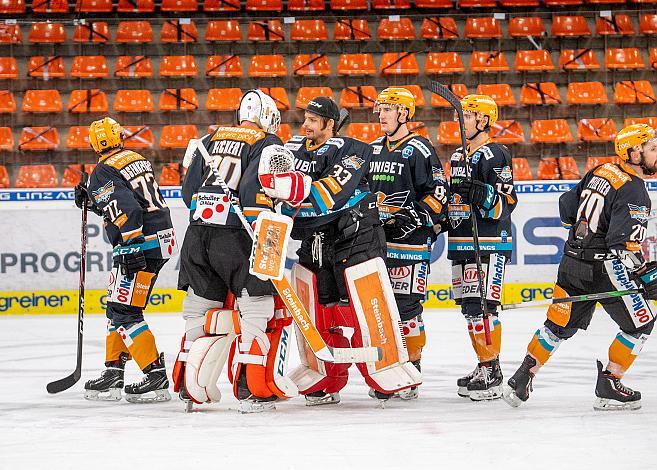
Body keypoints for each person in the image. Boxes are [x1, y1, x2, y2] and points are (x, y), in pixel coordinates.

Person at [504, 124, 657, 411]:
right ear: (633, 153)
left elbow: (566, 207)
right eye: (652, 149)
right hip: (604, 270)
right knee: (641, 322)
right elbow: (622, 246)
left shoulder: (600, 171)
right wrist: (645, 273)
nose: (656, 154)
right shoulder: (635, 191)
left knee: (556, 326)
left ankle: (523, 376)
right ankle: (610, 382)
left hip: (571, 263)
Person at [173, 89, 304, 413]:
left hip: (198, 233)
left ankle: (188, 387)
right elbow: (251, 191)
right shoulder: (265, 142)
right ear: (267, 117)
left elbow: (188, 191)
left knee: (198, 311)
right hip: (236, 236)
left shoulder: (208, 138)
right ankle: (253, 388)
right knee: (257, 311)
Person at [284, 97, 420, 406]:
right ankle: (326, 376)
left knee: (365, 310)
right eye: (304, 118)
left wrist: (289, 193)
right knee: (321, 311)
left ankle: (385, 372)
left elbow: (327, 195)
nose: (305, 125)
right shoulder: (293, 151)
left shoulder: (355, 151)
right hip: (316, 243)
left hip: (357, 238)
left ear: (330, 125)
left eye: (313, 121)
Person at [75, 117, 176, 403]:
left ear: (94, 144)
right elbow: (130, 200)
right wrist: (94, 202)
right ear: (120, 136)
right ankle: (113, 372)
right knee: (117, 307)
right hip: (160, 240)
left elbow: (127, 209)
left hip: (140, 244)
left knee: (125, 311)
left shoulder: (102, 170)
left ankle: (155, 375)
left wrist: (131, 245)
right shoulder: (135, 158)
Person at [368, 87, 449, 399]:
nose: (382, 116)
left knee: (407, 309)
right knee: (381, 310)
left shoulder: (419, 149)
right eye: (381, 110)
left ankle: (412, 367)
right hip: (378, 244)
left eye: (388, 109)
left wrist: (414, 217)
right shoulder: (374, 149)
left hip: (411, 244)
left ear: (404, 113)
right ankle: (389, 366)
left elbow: (438, 192)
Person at [447, 95, 517, 401]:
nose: (459, 122)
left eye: (466, 117)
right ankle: (483, 364)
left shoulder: (495, 153)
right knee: (470, 308)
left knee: (485, 307)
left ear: (484, 120)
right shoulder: (457, 156)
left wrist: (482, 193)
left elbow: (508, 201)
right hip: (462, 241)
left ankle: (493, 371)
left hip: (488, 241)